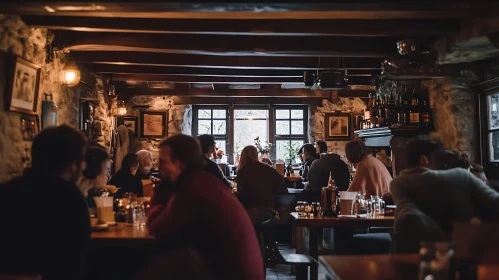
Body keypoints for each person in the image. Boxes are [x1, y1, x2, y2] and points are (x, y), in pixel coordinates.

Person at [147, 135, 264, 280]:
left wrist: (161, 189)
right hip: (241, 270)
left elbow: (157, 229)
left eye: (163, 162)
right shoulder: (202, 180)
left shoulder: (192, 188)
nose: (159, 167)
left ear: (179, 163)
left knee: (150, 265)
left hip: (230, 273)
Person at [0, 125, 91, 279]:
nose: (84, 166)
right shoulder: (70, 198)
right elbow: (76, 259)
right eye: (82, 160)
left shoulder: (6, 190)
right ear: (72, 164)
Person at [390, 135, 499, 253]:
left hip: (412, 260)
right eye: (438, 157)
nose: (442, 163)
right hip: (470, 255)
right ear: (423, 159)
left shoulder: (398, 185)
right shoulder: (460, 177)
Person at [236, 145, 289, 225]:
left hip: (250, 211)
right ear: (256, 155)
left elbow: (241, 196)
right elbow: (283, 189)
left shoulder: (241, 172)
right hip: (268, 209)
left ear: (242, 156)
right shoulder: (267, 168)